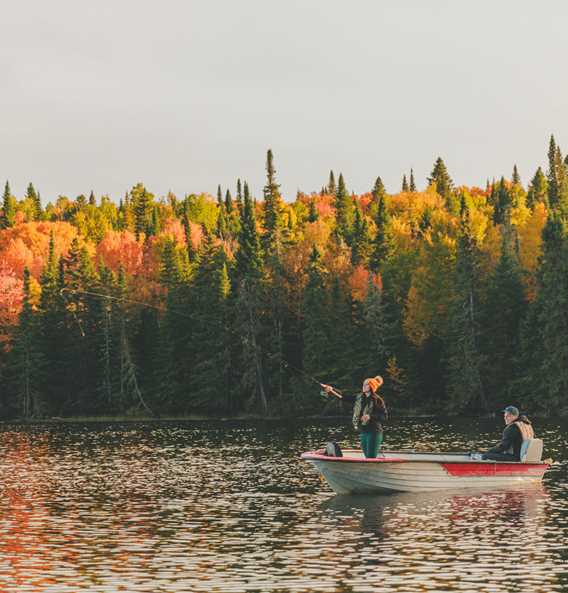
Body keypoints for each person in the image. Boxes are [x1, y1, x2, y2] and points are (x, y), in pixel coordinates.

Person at [322, 376, 388, 458]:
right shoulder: (359, 398)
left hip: (374, 432)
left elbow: (384, 416)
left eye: (367, 384)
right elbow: (343, 397)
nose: (364, 386)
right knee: (367, 456)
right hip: (364, 431)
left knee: (370, 457)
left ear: (372, 386)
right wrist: (331, 390)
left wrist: (370, 416)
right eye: (363, 384)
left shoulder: (378, 400)